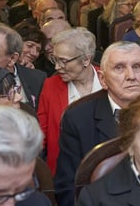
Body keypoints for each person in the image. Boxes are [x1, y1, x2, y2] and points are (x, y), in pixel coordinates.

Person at [54, 41, 140, 206]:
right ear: (103, 80)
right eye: (119, 68)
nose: (131, 76)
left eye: (137, 67)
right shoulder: (78, 118)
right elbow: (68, 189)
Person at [37, 27, 99, 174]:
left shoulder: (109, 81)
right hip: (64, 172)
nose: (57, 67)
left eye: (63, 61)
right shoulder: (50, 86)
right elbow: (41, 133)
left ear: (85, 60)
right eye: (55, 59)